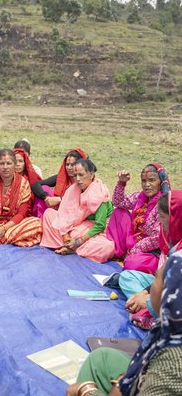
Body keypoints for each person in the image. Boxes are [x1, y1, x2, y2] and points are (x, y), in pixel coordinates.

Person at [67, 220, 182, 396]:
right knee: (102, 357)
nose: (151, 287)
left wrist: (86, 391)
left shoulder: (171, 363)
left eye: (158, 278)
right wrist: (127, 379)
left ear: (171, 292)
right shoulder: (168, 328)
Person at [118, 191, 181, 330]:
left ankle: (150, 312)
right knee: (126, 277)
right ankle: (146, 308)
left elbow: (173, 285)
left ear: (175, 218)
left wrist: (148, 300)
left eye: (163, 217)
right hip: (165, 285)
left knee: (155, 304)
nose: (159, 221)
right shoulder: (169, 236)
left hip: (176, 294)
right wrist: (144, 293)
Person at [40, 158, 115, 263]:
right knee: (49, 214)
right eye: (75, 176)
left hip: (96, 231)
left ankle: (73, 248)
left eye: (81, 175)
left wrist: (78, 241)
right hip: (76, 227)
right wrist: (65, 234)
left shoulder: (100, 194)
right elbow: (65, 214)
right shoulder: (73, 190)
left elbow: (100, 225)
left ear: (91, 175)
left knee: (106, 247)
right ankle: (67, 243)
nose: (78, 179)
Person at [107, 163, 169, 274]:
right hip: (134, 240)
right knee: (119, 212)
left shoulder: (164, 204)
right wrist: (122, 183)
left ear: (161, 182)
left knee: (132, 264)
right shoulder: (139, 196)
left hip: (151, 251)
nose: (147, 185)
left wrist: (136, 249)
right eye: (144, 181)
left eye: (152, 180)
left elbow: (157, 238)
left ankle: (129, 258)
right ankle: (120, 253)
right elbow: (118, 202)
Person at [32, 148, 87, 217]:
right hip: (56, 211)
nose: (69, 168)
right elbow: (35, 184)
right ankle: (43, 218)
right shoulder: (62, 178)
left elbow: (83, 200)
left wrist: (60, 199)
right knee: (44, 188)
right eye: (67, 164)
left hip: (76, 214)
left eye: (72, 164)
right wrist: (46, 197)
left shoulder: (85, 181)